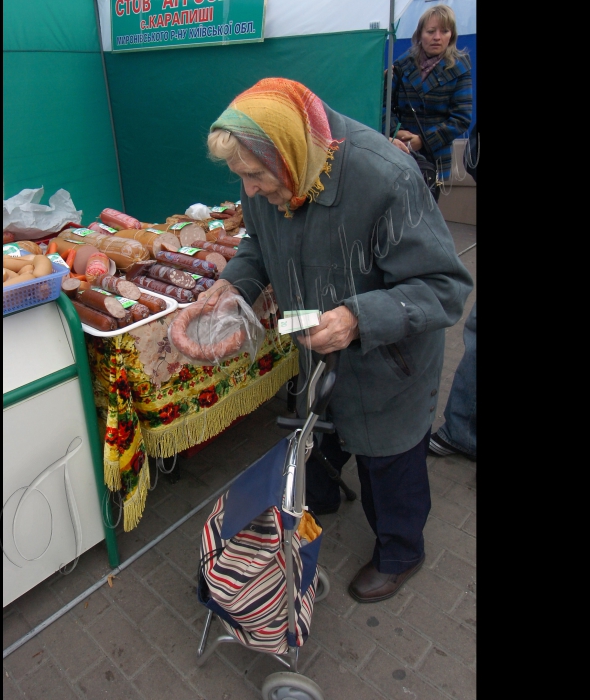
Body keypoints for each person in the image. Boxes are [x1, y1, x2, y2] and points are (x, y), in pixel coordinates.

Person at [197, 77, 473, 603]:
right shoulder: (270, 167)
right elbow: (258, 240)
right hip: (317, 352)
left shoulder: (386, 177)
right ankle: (320, 495)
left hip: (389, 361)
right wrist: (236, 283)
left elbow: (445, 288)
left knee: (389, 462)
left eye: (254, 176)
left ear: (292, 151)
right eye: (242, 178)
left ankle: (400, 549)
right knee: (319, 434)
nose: (249, 189)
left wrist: (357, 317)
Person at [429, 122, 477, 461]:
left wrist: (423, 138)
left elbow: (461, 118)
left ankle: (460, 430)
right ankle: (460, 428)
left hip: (430, 158)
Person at [387, 4, 472, 191]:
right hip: (400, 153)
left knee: (426, 214)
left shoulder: (460, 68)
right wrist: (396, 132)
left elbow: (461, 118)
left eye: (444, 31)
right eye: (431, 31)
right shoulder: (402, 65)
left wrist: (423, 141)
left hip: (435, 157)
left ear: (452, 35)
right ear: (419, 34)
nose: (437, 37)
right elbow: (384, 106)